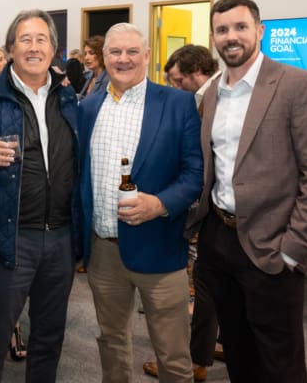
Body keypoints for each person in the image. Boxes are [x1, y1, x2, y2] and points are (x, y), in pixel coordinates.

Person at [187, 0, 307, 382]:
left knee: (280, 361)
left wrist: (294, 250)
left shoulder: (299, 86)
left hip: (273, 246)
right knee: (238, 352)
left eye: (240, 27)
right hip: (219, 241)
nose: (231, 37)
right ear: (213, 38)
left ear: (260, 31)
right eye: (222, 30)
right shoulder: (209, 93)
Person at [77, 22, 203, 383]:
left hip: (159, 248)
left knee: (173, 354)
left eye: (133, 51)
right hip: (103, 252)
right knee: (112, 343)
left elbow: (195, 174)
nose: (124, 59)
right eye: (115, 52)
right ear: (104, 58)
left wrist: (160, 204)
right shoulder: (88, 108)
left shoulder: (177, 103)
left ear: (147, 56)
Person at [0, 9, 79, 382]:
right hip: (7, 237)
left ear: (54, 49)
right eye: (24, 40)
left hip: (61, 237)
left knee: (48, 338)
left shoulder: (68, 96)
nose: (33, 47)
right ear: (10, 48)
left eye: (41, 39)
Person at [142, 43, 222, 382]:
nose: (176, 88)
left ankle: (196, 359)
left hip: (215, 206)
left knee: (204, 282)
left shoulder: (212, 98)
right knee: (216, 282)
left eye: (178, 81)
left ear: (196, 73)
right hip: (216, 205)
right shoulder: (213, 93)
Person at [163, 44, 220, 109]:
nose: (178, 89)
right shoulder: (202, 95)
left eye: (180, 81)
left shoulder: (220, 92)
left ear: (197, 69)